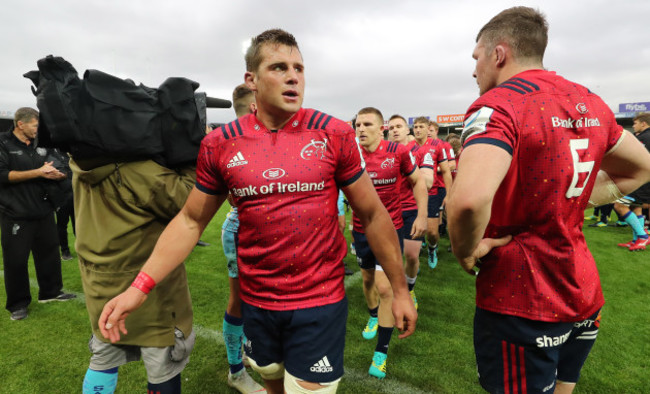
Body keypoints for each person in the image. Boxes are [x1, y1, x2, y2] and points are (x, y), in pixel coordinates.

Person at [98, 29, 417, 394]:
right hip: (258, 301)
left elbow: (374, 215)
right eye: (279, 67)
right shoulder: (220, 143)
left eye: (299, 68)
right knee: (270, 380)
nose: (293, 76)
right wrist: (139, 288)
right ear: (251, 79)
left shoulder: (332, 133)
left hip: (320, 302)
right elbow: (190, 220)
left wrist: (400, 289)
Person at [447, 7, 650, 394]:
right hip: (582, 289)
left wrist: (465, 249)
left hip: (523, 297)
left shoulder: (500, 105)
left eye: (476, 58)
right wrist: (568, 203)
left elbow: (468, 202)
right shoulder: (588, 100)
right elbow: (641, 168)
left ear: (498, 54)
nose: (474, 71)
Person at [71, 137, 197, 391]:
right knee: (162, 363)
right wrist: (190, 150)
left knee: (104, 355)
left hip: (100, 282)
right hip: (149, 286)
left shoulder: (80, 160)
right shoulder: (137, 169)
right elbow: (191, 205)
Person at [353, 108, 427, 379]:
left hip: (391, 230)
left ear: (381, 127)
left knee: (385, 289)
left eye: (367, 124)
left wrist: (421, 214)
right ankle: (373, 314)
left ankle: (380, 353)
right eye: (357, 124)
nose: (361, 128)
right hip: (360, 231)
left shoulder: (397, 152)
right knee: (367, 280)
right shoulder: (352, 154)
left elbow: (418, 181)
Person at [0, 107, 76, 321]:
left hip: (43, 210)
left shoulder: (41, 143)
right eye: (35, 125)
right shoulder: (3, 143)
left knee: (50, 254)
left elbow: (55, 165)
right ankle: (18, 304)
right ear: (20, 124)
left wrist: (58, 175)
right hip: (15, 213)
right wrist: (38, 172)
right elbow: (3, 175)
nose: (38, 129)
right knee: (16, 261)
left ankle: (51, 292)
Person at [219, 83, 266, 393]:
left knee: (257, 301)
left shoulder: (258, 138)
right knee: (239, 301)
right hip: (242, 231)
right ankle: (236, 371)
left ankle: (248, 354)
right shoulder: (231, 143)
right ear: (254, 107)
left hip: (261, 231)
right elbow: (232, 198)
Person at [388, 114, 434, 309]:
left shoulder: (422, 152)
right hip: (388, 212)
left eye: (399, 126)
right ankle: (392, 292)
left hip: (410, 210)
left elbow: (429, 183)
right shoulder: (383, 152)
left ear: (407, 130)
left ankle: (410, 287)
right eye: (391, 128)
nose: (395, 130)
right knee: (390, 256)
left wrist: (407, 165)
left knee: (412, 256)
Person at [412, 117, 452, 268]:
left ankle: (432, 248)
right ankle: (413, 259)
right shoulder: (409, 146)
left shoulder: (437, 146)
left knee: (433, 233)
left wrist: (449, 194)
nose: (417, 129)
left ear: (428, 128)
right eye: (415, 127)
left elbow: (447, 171)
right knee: (413, 228)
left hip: (432, 194)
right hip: (412, 195)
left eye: (421, 126)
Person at [613, 113, 650, 250]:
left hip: (640, 180)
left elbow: (633, 157)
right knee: (636, 208)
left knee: (619, 206)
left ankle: (642, 236)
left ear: (643, 124)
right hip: (644, 181)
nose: (633, 126)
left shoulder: (644, 137)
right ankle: (636, 241)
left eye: (635, 123)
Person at [50, 148, 75, 260]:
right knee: (61, 225)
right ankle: (65, 251)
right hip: (61, 196)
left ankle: (82, 248)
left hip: (75, 195)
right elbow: (60, 173)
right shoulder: (51, 153)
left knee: (78, 224)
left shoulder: (69, 152)